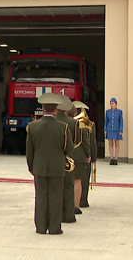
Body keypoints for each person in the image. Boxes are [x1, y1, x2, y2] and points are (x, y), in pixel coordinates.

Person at [26, 93, 73, 235]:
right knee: (55, 197)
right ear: (56, 109)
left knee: (40, 197)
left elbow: (29, 151)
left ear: (43, 109)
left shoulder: (32, 126)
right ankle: (54, 228)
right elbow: (69, 149)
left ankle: (41, 227)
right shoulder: (63, 127)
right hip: (57, 167)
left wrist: (31, 167)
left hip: (39, 167)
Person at [55, 94, 78, 223]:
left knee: (55, 188)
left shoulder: (51, 120)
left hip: (54, 158)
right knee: (69, 187)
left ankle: (56, 215)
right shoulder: (74, 123)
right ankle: (69, 215)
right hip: (68, 159)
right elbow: (75, 141)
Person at [74, 101, 97, 208]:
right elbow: (92, 142)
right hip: (83, 155)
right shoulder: (90, 124)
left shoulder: (71, 123)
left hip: (73, 154)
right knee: (84, 179)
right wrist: (93, 156)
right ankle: (83, 201)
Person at [104, 97, 123, 165]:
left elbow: (121, 121)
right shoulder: (107, 112)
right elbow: (106, 121)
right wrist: (105, 129)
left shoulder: (119, 112)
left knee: (117, 144)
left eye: (112, 103)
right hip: (109, 129)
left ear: (116, 104)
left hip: (117, 129)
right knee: (110, 144)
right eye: (110, 103)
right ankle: (111, 158)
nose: (111, 105)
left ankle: (116, 158)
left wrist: (121, 130)